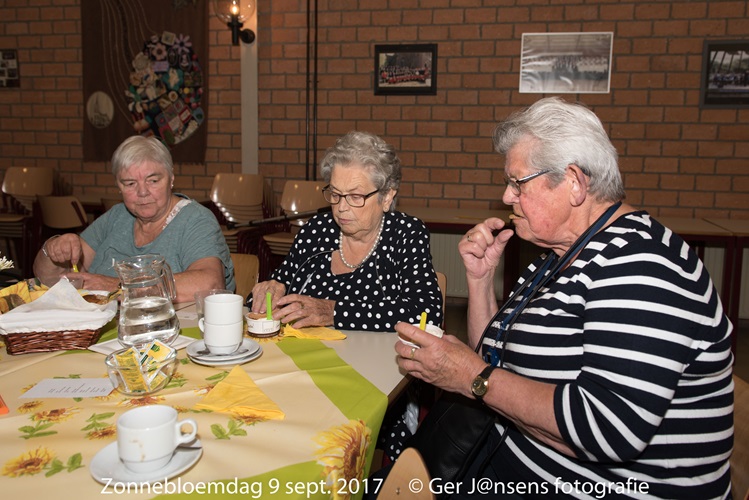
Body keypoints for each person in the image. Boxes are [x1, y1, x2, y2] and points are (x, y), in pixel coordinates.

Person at [393, 97, 733, 498]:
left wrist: (470, 378)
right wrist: (481, 281)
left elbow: (606, 430)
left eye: (517, 182)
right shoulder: (564, 256)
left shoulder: (640, 266)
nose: (506, 197)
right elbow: (496, 358)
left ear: (573, 182)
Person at [249, 130, 443, 332]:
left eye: (355, 196)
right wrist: (270, 289)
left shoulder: (405, 233)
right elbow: (276, 287)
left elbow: (426, 312)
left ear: (386, 197)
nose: (341, 207)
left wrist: (333, 311)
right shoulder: (317, 230)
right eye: (335, 193)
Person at [33, 136, 235, 302]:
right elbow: (51, 279)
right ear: (118, 186)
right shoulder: (116, 216)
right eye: (130, 184)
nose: (142, 192)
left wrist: (119, 287)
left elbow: (210, 284)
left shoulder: (195, 219)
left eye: (153, 180)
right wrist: (51, 250)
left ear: (171, 179)